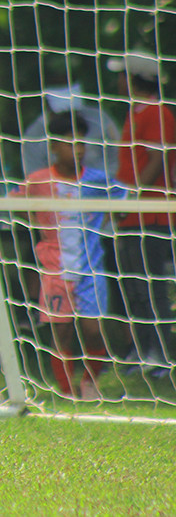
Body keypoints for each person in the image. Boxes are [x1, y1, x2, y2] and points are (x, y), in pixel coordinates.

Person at [13, 112, 127, 399]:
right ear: (53, 146)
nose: (76, 150)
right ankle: (66, 392)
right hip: (54, 270)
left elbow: (125, 200)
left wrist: (116, 213)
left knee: (93, 331)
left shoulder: (98, 181)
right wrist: (34, 217)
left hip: (92, 269)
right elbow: (14, 202)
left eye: (81, 143)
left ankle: (89, 382)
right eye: (69, 143)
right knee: (60, 333)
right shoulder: (38, 180)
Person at [110, 52, 176, 377]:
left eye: (122, 74)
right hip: (131, 214)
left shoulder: (156, 113)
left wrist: (133, 196)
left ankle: (163, 355)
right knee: (135, 287)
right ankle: (144, 350)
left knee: (152, 287)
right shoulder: (134, 113)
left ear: (134, 77)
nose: (117, 80)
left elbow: (158, 158)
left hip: (151, 215)